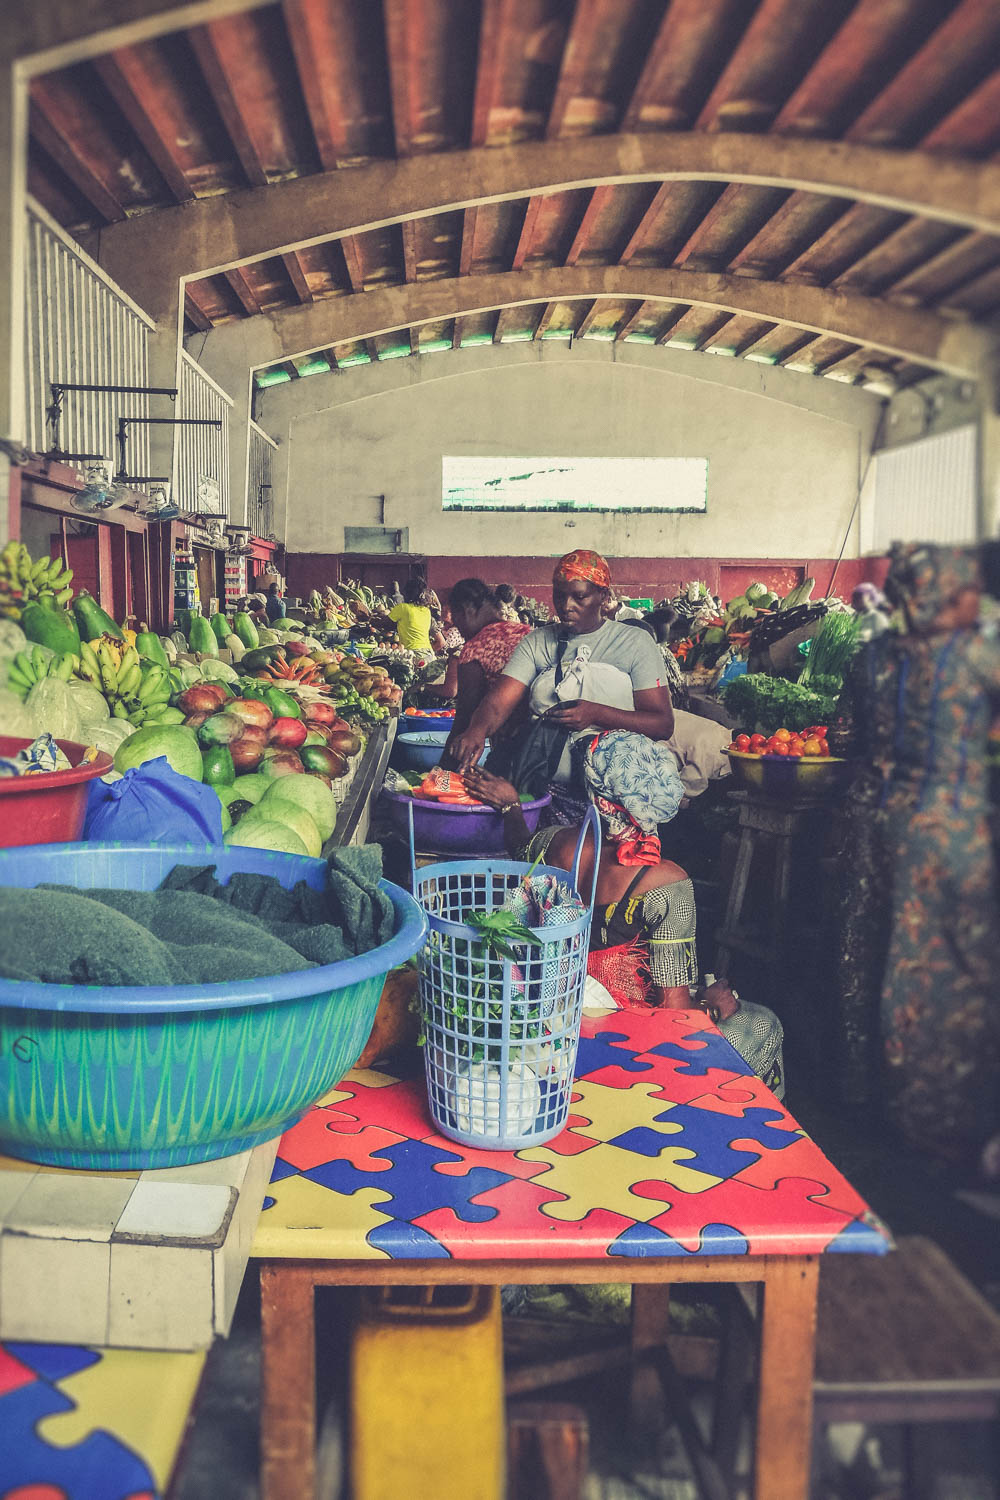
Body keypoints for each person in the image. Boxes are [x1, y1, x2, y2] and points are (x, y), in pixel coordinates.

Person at [833, 541, 1000, 1176]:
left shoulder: (872, 656)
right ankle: (933, 1121)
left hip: (871, 821)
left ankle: (861, 1090)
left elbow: (846, 734)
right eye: (966, 595)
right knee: (941, 969)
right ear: (946, 598)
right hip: (946, 831)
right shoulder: (978, 657)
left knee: (868, 950)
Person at [464, 765, 784, 1095]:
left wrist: (510, 806)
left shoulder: (556, 841)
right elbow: (675, 1013)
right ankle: (726, 1120)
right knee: (762, 1023)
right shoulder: (666, 884)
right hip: (621, 1037)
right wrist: (710, 1004)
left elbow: (519, 844)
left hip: (550, 1016)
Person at [448, 549, 682, 857]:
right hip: (545, 793)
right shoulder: (538, 641)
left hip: (614, 799)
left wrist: (596, 713)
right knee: (544, 873)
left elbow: (662, 723)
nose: (566, 607)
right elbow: (499, 700)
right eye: (559, 597)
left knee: (598, 880)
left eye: (579, 597)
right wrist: (476, 731)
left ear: (603, 596)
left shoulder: (633, 643)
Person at [440, 578, 532, 741]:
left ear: (466, 611)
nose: (457, 627)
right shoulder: (525, 633)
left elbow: (465, 719)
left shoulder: (476, 649)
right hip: (548, 742)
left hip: (513, 745)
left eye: (456, 617)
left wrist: (444, 765)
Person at [378, 578, 444, 653]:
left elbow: (384, 624)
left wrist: (370, 619)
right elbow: (442, 642)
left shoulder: (403, 608)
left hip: (411, 655)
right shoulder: (427, 611)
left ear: (407, 592)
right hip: (429, 654)